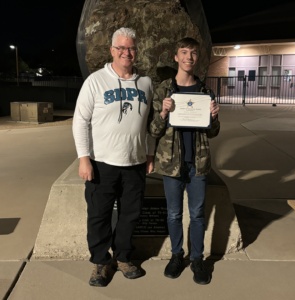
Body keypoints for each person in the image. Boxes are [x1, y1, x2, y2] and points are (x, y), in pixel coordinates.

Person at [72, 27, 155, 287]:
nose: (126, 52)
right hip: (102, 162)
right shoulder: (96, 81)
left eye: (130, 47)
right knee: (99, 215)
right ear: (112, 51)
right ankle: (100, 261)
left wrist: (149, 153)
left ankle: (123, 257)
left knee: (131, 214)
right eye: (121, 48)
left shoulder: (146, 83)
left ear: (136, 51)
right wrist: (84, 158)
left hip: (135, 162)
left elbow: (150, 123)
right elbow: (80, 121)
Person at [149, 37, 220, 285]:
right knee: (173, 214)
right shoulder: (164, 90)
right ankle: (177, 255)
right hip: (171, 164)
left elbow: (212, 132)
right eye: (184, 52)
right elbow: (154, 131)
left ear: (197, 58)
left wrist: (213, 117)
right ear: (176, 57)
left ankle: (198, 259)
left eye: (193, 53)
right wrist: (163, 113)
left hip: (198, 164)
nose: (189, 57)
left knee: (198, 214)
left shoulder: (205, 91)